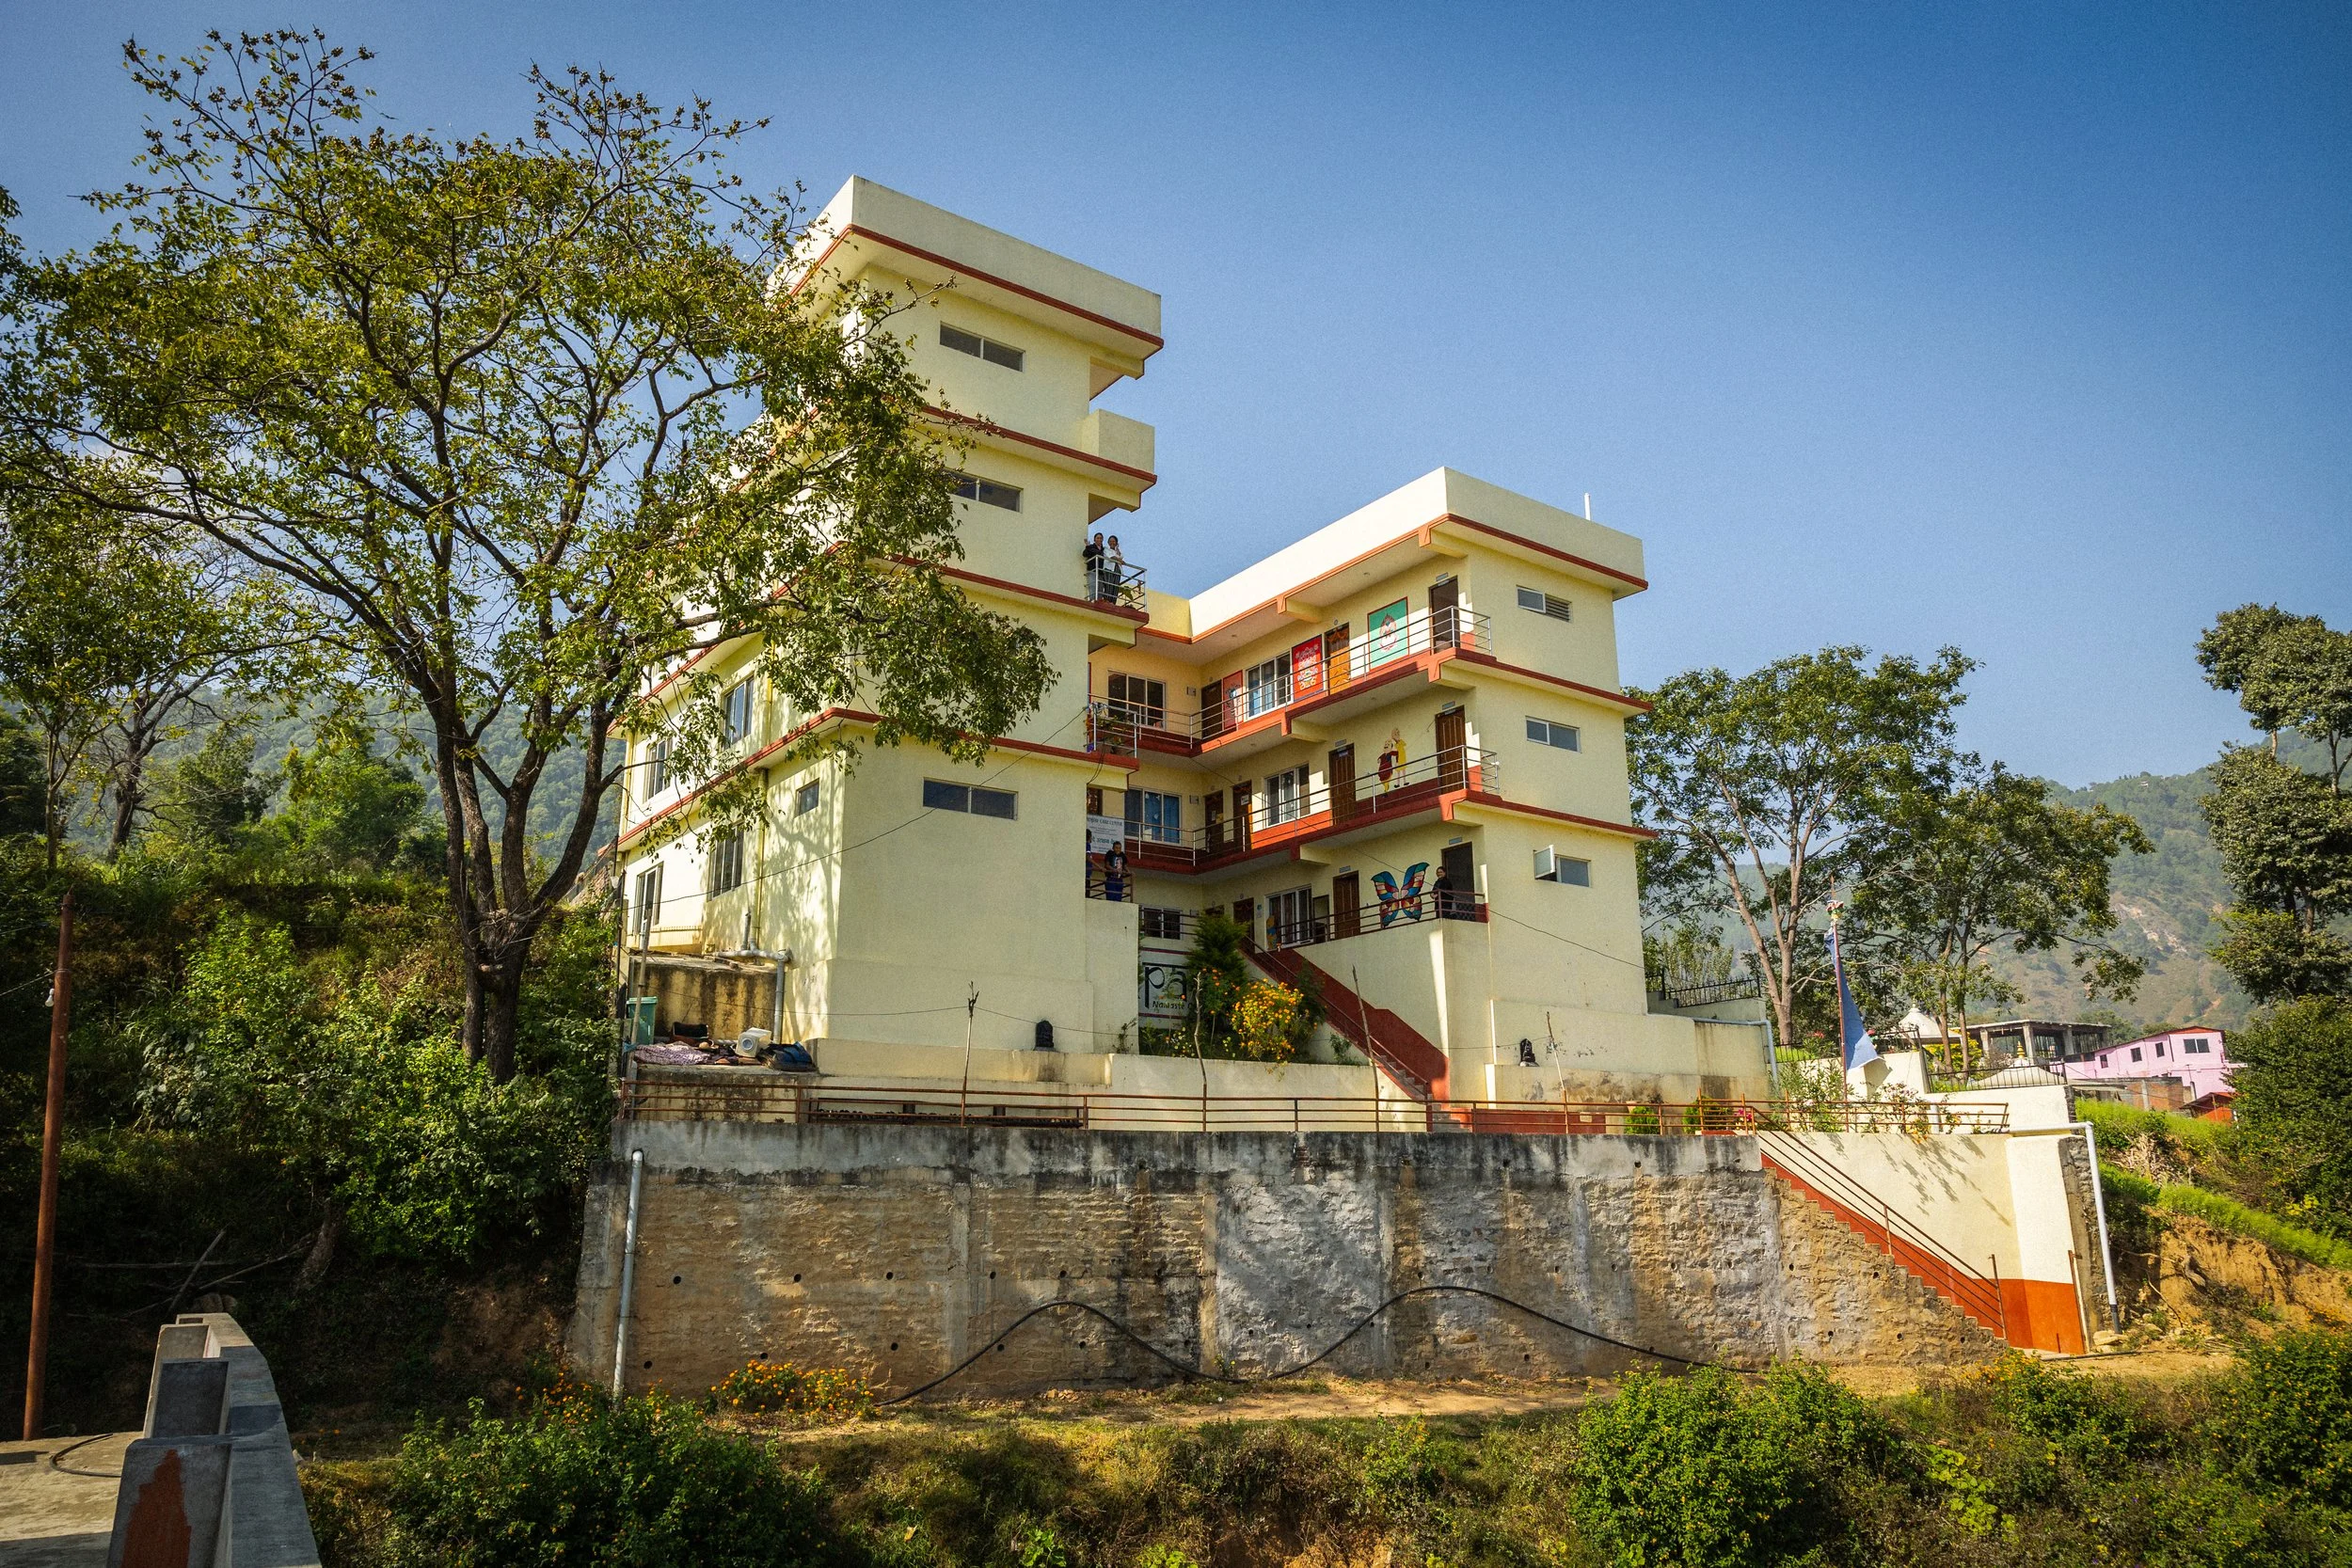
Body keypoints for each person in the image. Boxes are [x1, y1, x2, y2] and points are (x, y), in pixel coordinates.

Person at [1083, 533, 1105, 598]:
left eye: (1101, 538)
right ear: (1094, 539)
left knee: (1100, 589)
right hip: (1092, 570)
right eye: (1097, 538)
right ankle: (1093, 601)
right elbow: (1084, 554)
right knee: (1092, 587)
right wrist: (1088, 547)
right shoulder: (1091, 547)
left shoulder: (1103, 549)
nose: (1099, 539)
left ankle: (1099, 603)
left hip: (1100, 572)